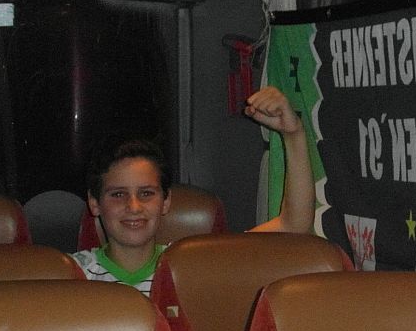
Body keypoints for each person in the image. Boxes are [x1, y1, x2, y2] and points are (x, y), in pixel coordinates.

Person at [71, 85, 314, 294]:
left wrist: (293, 134)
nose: (133, 207)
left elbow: (293, 227)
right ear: (94, 202)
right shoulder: (71, 274)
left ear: (166, 201)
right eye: (118, 194)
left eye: (146, 193)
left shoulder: (193, 266)